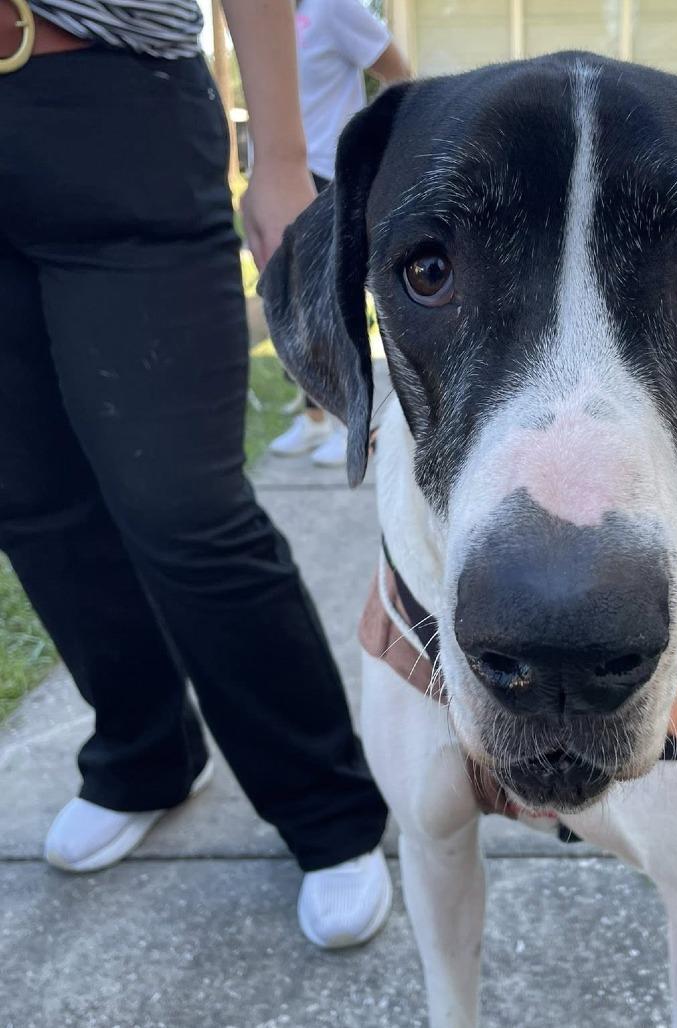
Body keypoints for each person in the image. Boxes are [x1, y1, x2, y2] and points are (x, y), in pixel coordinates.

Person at [0, 0, 390, 949]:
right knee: (31, 496)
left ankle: (326, 808)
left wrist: (285, 160)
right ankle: (144, 756)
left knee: (183, 508)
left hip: (113, 101)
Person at [269, 0, 409, 467]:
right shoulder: (270, 18)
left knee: (338, 304)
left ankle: (358, 425)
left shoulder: (334, 9)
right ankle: (315, 419)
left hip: (335, 176)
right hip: (290, 177)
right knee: (295, 301)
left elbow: (398, 72)